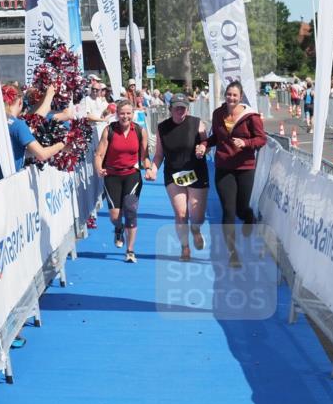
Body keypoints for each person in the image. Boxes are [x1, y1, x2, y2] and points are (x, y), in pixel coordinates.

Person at [196, 81, 266, 268]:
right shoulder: (218, 114)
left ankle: (249, 217)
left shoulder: (251, 116)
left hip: (245, 167)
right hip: (224, 167)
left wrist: (246, 143)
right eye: (229, 94)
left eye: (235, 95)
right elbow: (215, 137)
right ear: (225, 95)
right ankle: (233, 252)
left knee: (242, 209)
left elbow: (261, 139)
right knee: (228, 210)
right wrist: (204, 144)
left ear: (240, 97)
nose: (231, 98)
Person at [147, 95, 209, 261]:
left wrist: (202, 149)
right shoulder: (162, 128)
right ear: (170, 109)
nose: (180, 110)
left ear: (187, 109)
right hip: (174, 174)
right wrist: (153, 169)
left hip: (197, 172)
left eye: (183, 107)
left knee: (197, 217)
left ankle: (195, 229)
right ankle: (185, 248)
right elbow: (159, 154)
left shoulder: (197, 123)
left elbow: (206, 143)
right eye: (177, 107)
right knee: (181, 214)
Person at [94, 99, 152, 263]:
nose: (125, 116)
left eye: (128, 113)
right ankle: (118, 228)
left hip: (132, 175)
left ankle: (130, 250)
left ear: (133, 114)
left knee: (131, 211)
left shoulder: (139, 131)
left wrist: (148, 168)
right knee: (115, 216)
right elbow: (99, 154)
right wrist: (99, 168)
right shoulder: (109, 130)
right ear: (117, 114)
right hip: (112, 175)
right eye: (122, 113)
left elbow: (145, 156)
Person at [0, 84, 65, 186]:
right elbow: (42, 154)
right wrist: (61, 144)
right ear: (20, 101)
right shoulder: (18, 125)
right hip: (8, 186)